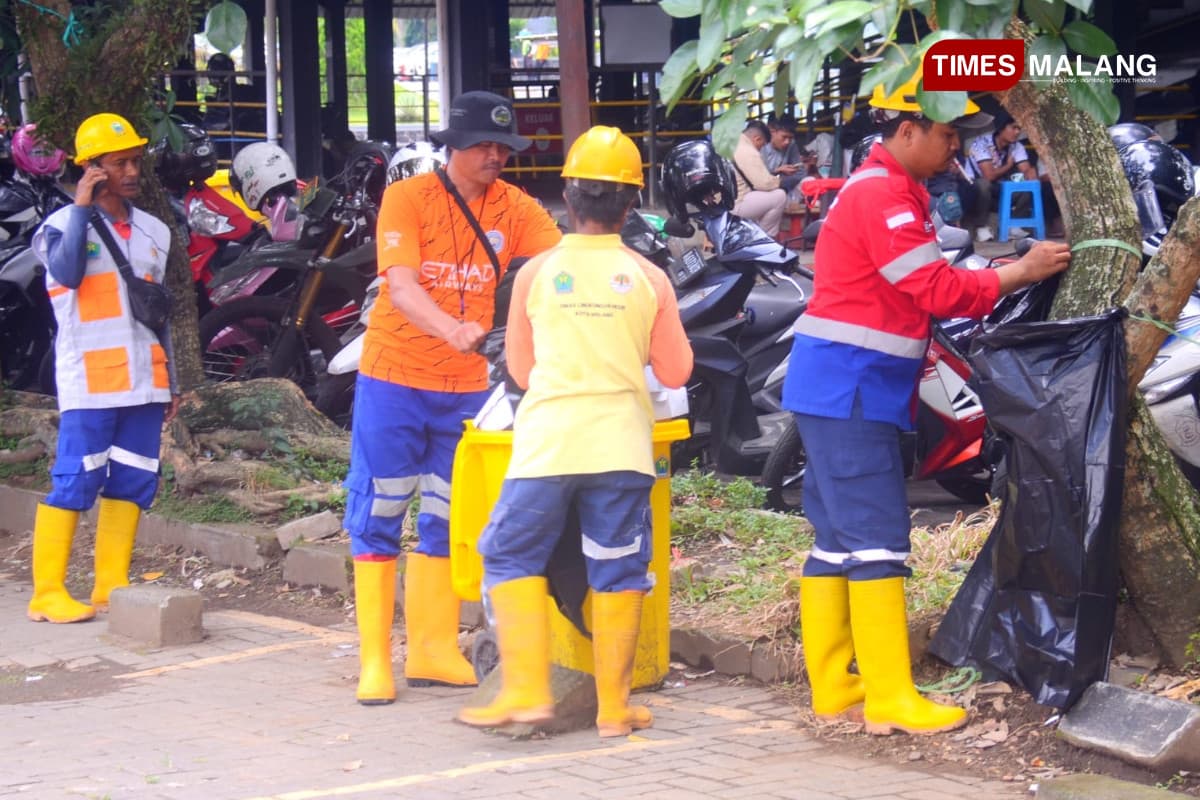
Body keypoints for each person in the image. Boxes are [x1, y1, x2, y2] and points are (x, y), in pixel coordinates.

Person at [781, 71, 1072, 736]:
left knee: (836, 542)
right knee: (877, 539)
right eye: (945, 134)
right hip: (853, 390)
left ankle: (835, 684)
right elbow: (936, 290)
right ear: (905, 130)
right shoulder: (885, 194)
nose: (953, 148)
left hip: (840, 388)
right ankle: (888, 696)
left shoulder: (891, 188)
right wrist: (1018, 272)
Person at [455, 126, 693, 735]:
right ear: (631, 203)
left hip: (549, 445)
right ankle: (614, 708)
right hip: (622, 446)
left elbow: (520, 371)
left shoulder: (537, 272)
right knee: (617, 570)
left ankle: (528, 690)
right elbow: (676, 370)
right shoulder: (650, 278)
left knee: (508, 556)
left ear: (568, 195)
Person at [343, 90, 562, 705]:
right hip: (395, 375)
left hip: (465, 389)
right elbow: (402, 286)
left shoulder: (515, 207)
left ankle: (434, 650)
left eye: (504, 147)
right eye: (483, 146)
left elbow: (559, 262)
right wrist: (453, 329)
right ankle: (374, 661)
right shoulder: (406, 199)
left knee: (448, 517)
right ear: (453, 147)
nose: (496, 156)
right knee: (379, 512)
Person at [27, 112, 179, 624]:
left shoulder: (156, 231)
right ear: (91, 169)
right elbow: (68, 274)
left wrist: (172, 381)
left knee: (134, 482)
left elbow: (160, 313)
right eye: (120, 163)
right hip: (91, 385)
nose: (133, 171)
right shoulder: (57, 229)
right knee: (75, 481)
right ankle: (47, 592)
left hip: (145, 381)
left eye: (136, 160)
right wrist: (80, 207)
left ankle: (109, 583)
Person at [967, 112, 1038, 241]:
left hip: (999, 189)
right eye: (1013, 128)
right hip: (975, 190)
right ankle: (981, 227)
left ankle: (1014, 226)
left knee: (1028, 187)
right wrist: (1008, 165)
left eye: (1019, 128)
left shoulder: (1016, 146)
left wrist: (1030, 173)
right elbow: (988, 176)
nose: (1017, 132)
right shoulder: (981, 143)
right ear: (1001, 128)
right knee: (984, 184)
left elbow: (1026, 169)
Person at [731, 119, 787, 237]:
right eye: (761, 146)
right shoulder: (748, 150)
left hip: (721, 203)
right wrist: (778, 180)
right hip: (735, 204)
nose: (760, 149)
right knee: (779, 196)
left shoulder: (731, 142)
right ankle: (764, 239)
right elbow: (763, 184)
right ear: (757, 139)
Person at [759, 113, 806, 209]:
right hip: (762, 191)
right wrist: (777, 171)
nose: (787, 142)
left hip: (785, 189)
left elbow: (801, 173)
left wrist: (784, 180)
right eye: (784, 137)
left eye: (790, 138)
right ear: (771, 131)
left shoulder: (791, 144)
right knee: (778, 195)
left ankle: (788, 204)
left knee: (808, 181)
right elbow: (757, 179)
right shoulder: (760, 145)